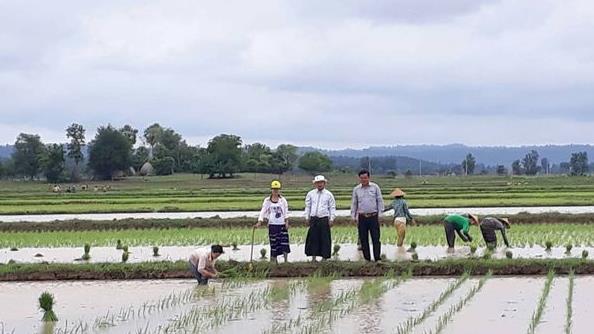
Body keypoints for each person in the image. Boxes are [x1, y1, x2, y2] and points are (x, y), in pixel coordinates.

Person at [351, 169, 384, 261]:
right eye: (362, 178)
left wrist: (380, 214)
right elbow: (354, 203)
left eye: (365, 178)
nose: (364, 180)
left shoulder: (375, 187)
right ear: (359, 179)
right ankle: (367, 259)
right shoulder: (356, 189)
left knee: (376, 238)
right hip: (362, 217)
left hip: (373, 216)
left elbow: (380, 201)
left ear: (369, 177)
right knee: (363, 239)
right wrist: (353, 216)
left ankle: (377, 258)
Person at [255, 180, 291, 263]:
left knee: (284, 243)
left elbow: (286, 211)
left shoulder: (283, 200)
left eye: (277, 189)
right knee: (274, 243)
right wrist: (260, 221)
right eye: (274, 189)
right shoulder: (267, 201)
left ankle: (286, 261)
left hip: (281, 224)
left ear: (279, 190)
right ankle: (274, 261)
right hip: (272, 224)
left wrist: (286, 222)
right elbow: (263, 211)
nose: (275, 191)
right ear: (271, 189)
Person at [304, 175, 336, 262]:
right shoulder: (310, 194)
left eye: (321, 182)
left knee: (325, 239)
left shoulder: (329, 195)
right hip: (313, 219)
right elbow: (308, 206)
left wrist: (332, 219)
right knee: (313, 239)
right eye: (318, 183)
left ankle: (324, 258)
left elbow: (332, 207)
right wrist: (307, 217)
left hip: (324, 219)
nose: (319, 184)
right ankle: (313, 258)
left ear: (324, 183)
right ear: (315, 184)